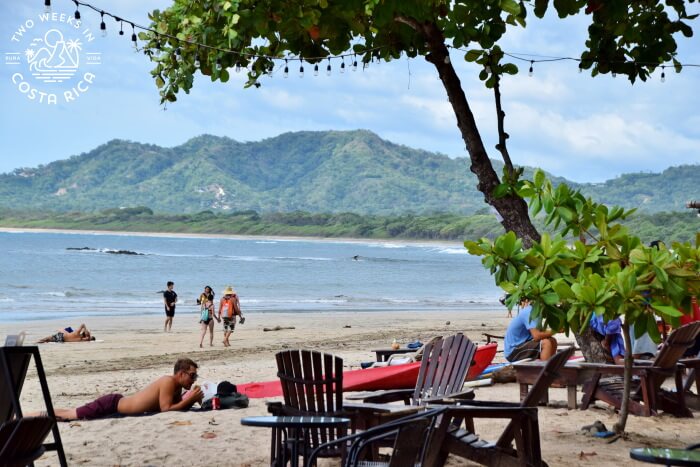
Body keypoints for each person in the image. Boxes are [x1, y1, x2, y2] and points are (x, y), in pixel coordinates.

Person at [51, 358, 203, 420]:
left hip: (117, 405)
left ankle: (42, 415)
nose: (193, 379)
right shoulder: (168, 382)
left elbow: (175, 408)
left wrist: (191, 400)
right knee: (70, 414)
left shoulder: (176, 388)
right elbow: (166, 409)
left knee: (70, 413)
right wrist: (190, 398)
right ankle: (36, 416)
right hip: (111, 404)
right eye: (192, 376)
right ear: (181, 373)